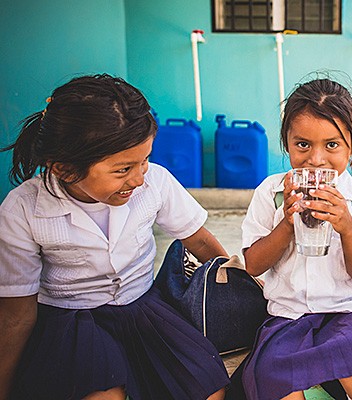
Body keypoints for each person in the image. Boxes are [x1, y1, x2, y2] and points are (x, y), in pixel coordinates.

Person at [0, 74, 230, 400]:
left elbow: (201, 241)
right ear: (64, 169)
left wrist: (237, 285)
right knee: (102, 394)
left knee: (208, 387)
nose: (138, 179)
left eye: (145, 160)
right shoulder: (23, 210)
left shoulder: (156, 183)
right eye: (123, 169)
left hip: (143, 306)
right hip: (71, 319)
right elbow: (15, 315)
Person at [240, 77, 352, 400]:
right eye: (303, 145)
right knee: (272, 374)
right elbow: (253, 264)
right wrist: (286, 223)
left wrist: (346, 226)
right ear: (287, 143)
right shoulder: (270, 194)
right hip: (288, 317)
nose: (316, 159)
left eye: (332, 145)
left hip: (349, 315)